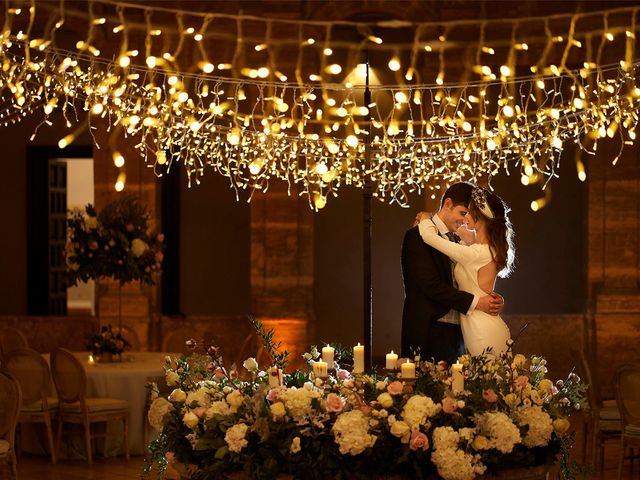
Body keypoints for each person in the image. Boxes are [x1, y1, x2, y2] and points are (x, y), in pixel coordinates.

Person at [400, 182, 504, 364]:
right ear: (448, 204)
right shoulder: (416, 236)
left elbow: (478, 275)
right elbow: (430, 286)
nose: (465, 220)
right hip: (429, 331)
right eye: (463, 213)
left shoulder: (460, 241)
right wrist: (477, 302)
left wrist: (491, 297)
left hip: (461, 332)